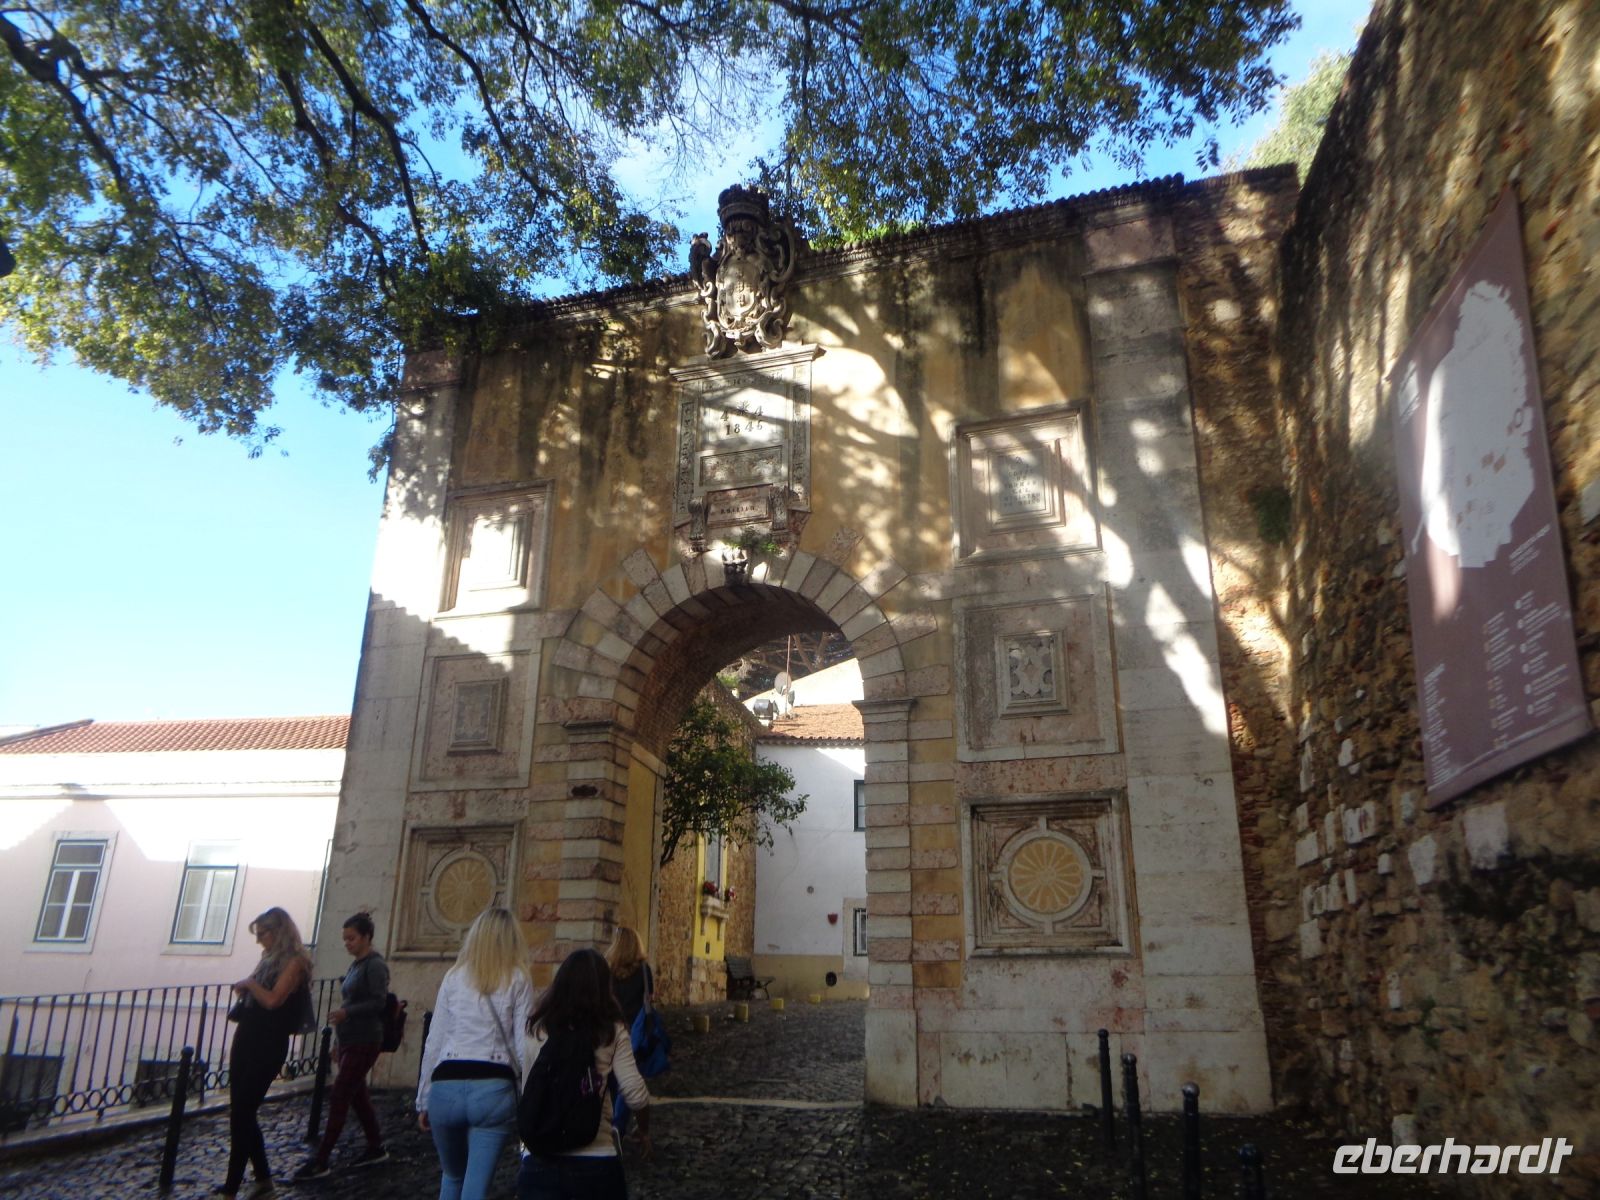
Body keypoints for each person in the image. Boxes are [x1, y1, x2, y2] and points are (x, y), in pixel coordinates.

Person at [415, 907, 535, 1200]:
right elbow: (524, 1045)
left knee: (452, 1176)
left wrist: (423, 1099)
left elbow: (435, 1041)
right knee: (475, 1186)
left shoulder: (453, 977)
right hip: (493, 1086)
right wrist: (531, 1094)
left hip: (445, 1086)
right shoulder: (518, 978)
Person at [518, 949, 652, 1200]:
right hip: (596, 1160)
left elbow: (529, 1089)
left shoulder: (536, 1027)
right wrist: (644, 1128)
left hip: (539, 1160)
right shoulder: (611, 1031)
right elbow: (635, 1092)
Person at [221, 907, 313, 1198]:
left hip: (269, 1042)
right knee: (241, 1111)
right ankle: (262, 1178)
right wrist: (249, 988)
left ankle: (232, 1187)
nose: (259, 940)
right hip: (247, 1036)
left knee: (243, 1112)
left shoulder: (295, 962)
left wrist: (250, 984)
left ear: (278, 932)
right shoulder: (268, 958)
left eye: (263, 933)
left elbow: (273, 1000)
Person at [294, 912, 390, 1179]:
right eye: (345, 939)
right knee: (357, 1096)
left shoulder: (375, 966)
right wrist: (338, 1041)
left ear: (366, 937)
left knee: (340, 1095)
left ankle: (322, 1159)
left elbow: (378, 1002)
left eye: (352, 938)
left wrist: (347, 1014)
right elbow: (350, 1001)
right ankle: (375, 1146)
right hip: (350, 1039)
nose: (347, 943)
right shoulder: (356, 965)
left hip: (365, 1038)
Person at [604, 928, 655, 1133]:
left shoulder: (607, 970)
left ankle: (608, 1121)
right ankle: (618, 1125)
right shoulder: (644, 970)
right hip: (635, 1030)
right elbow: (649, 998)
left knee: (610, 1078)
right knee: (629, 1078)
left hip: (610, 1029)